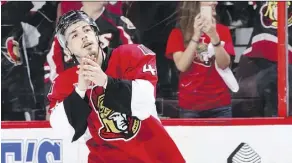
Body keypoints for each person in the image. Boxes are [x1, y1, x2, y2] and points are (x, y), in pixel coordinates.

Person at [48, 10, 185, 163]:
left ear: (96, 34)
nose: (83, 36)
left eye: (87, 30)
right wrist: (80, 90)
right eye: (74, 35)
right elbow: (65, 130)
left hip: (153, 158)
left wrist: (105, 81)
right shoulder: (64, 83)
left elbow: (145, 102)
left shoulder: (130, 55)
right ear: (67, 50)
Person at [165, 1, 235, 118]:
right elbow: (182, 66)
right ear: (195, 5)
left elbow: (224, 64)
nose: (216, 2)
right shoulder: (177, 34)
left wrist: (214, 37)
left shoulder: (222, 31)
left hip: (220, 104)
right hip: (190, 105)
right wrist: (196, 36)